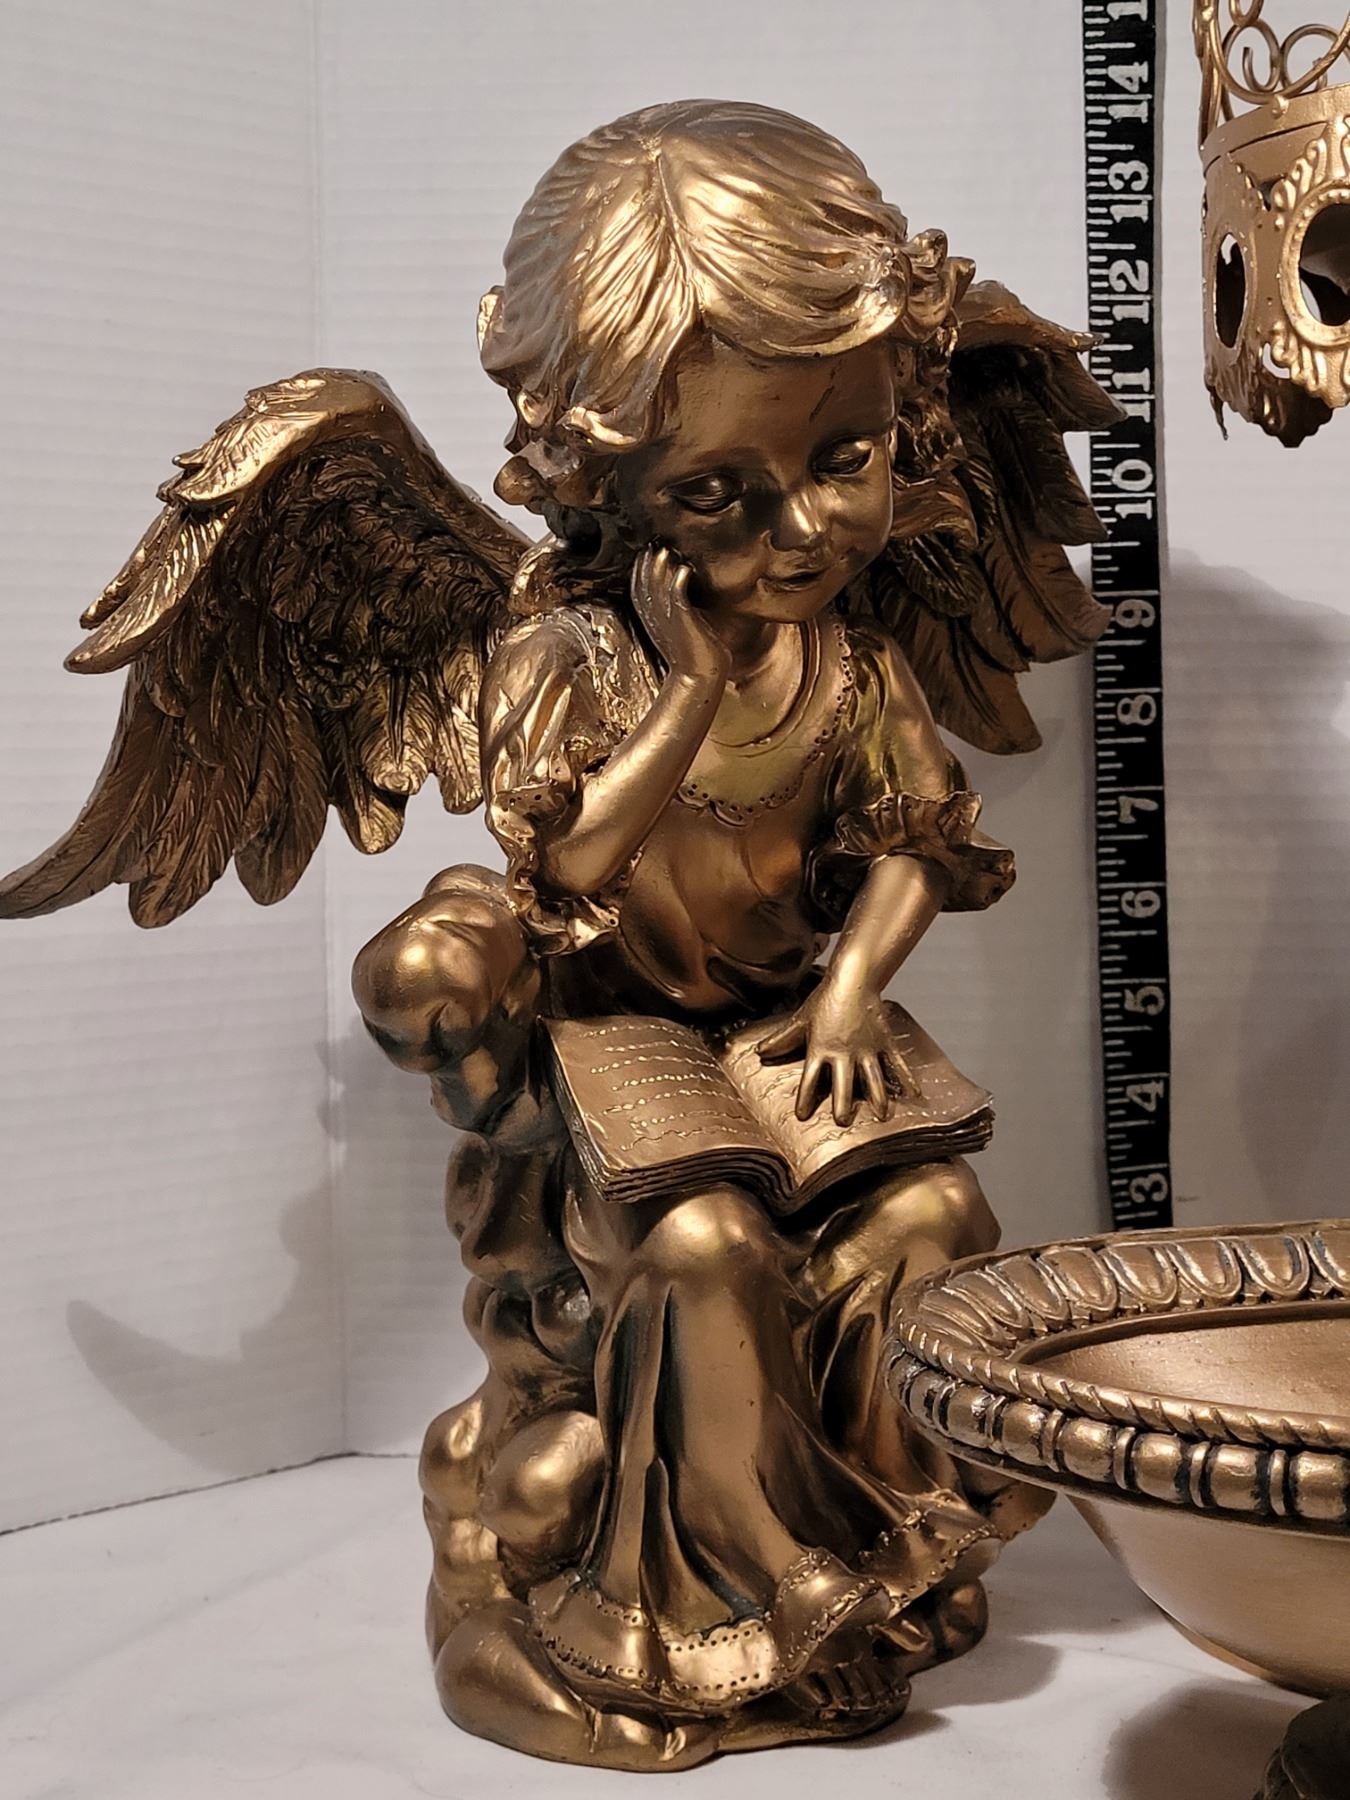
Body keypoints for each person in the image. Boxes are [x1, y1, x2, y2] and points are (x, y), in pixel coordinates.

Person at [353, 100, 1052, 1770]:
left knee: (935, 1215)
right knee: (705, 1253)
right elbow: (569, 867)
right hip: (613, 1055)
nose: (801, 533)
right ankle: (725, 1597)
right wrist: (683, 691)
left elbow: (913, 847)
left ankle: (891, 1552)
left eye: (846, 460)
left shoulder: (854, 662)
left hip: (789, 1041)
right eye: (719, 494)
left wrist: (854, 989)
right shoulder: (571, 658)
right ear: (603, 486)